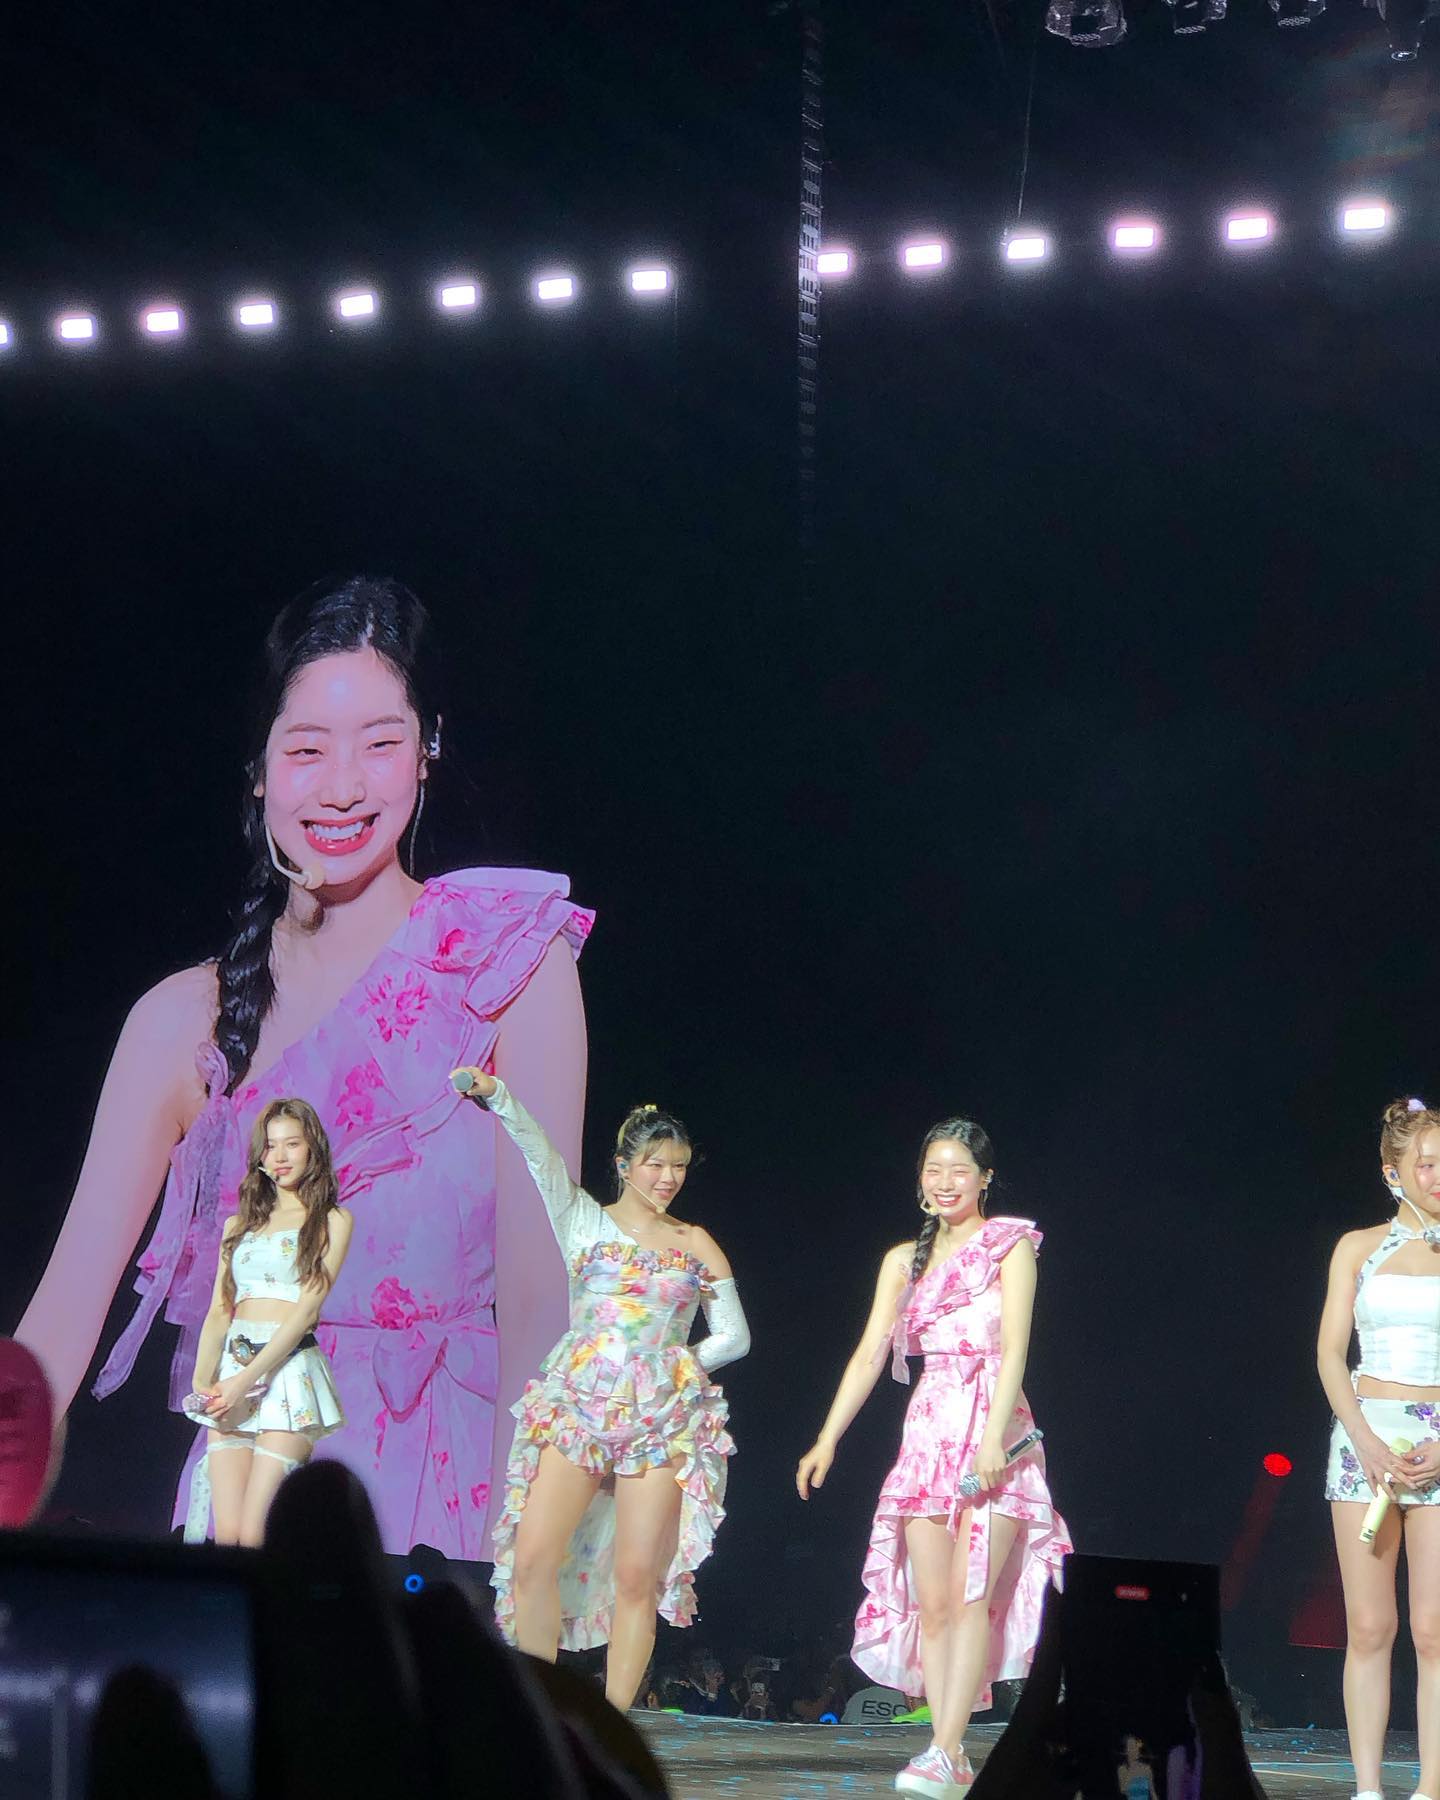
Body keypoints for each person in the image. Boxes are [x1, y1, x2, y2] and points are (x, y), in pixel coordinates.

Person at [14, 575, 592, 1557]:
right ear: (258, 769)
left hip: (446, 1513)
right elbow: (56, 1331)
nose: (342, 788)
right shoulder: (179, 1023)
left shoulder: (508, 969)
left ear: (429, 750)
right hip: (250, 1510)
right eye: (308, 750)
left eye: (380, 744)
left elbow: (543, 1310)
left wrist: (515, 1582)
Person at [450, 1068, 750, 1710]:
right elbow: (540, 1155)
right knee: (533, 1559)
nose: (668, 1177)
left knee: (637, 1576)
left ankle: (613, 1726)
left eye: (679, 1166)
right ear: (623, 1165)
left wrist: (672, 1367)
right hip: (580, 1407)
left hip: (661, 1420)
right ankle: (539, 1709)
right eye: (655, 1164)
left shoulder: (695, 1242)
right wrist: (498, 1095)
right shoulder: (583, 1219)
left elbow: (734, 1337)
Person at [796, 1116, 1071, 1798]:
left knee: (973, 1594)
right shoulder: (902, 1261)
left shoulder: (1009, 1246)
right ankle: (945, 1749)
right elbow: (869, 1354)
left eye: (960, 1170)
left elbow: (1016, 1346)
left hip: (995, 1429)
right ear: (920, 1179)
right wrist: (828, 1437)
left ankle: (947, 1748)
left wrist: (994, 1438)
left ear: (985, 1178)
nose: (946, 1182)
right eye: (934, 1169)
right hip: (928, 1432)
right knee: (937, 1602)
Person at [1316, 1096, 1440, 1800]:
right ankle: (1367, 1789)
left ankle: (1431, 1788)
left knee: (1434, 1628)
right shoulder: (1359, 1248)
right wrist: (1362, 1439)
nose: (1437, 1176)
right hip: (1365, 1441)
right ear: (1393, 1173)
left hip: (1438, 1442)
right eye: (1425, 1164)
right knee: (1369, 1626)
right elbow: (1330, 1354)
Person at [181, 1097, 351, 1546]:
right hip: (232, 1373)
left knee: (258, 1535)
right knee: (228, 1537)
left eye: (291, 1144)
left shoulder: (331, 1221)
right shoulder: (238, 1226)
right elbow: (220, 1310)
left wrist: (244, 1381)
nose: (280, 1156)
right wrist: (204, 1381)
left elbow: (306, 1311)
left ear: (312, 1148)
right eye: (271, 1146)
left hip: (287, 1373)